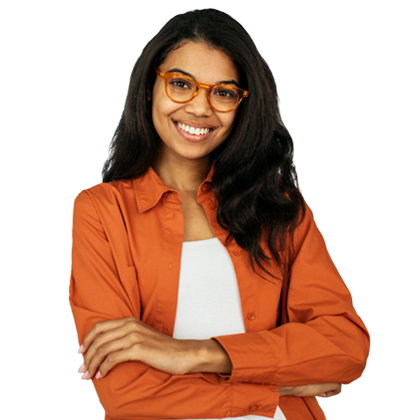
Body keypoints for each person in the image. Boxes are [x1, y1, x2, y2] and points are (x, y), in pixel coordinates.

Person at [69, 8, 370, 420]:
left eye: (224, 92)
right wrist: (275, 384)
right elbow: (127, 393)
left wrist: (189, 354)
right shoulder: (100, 214)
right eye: (180, 84)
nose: (200, 108)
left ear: (243, 105)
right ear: (148, 88)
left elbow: (345, 346)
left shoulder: (279, 207)